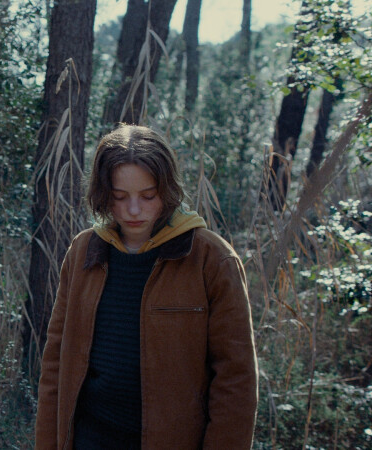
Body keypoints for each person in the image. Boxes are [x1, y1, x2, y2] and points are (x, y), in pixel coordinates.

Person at [34, 125, 258, 449]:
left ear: (167, 190)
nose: (134, 210)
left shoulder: (212, 259)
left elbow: (236, 383)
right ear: (103, 193)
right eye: (119, 196)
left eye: (148, 196)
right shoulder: (84, 252)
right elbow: (55, 365)